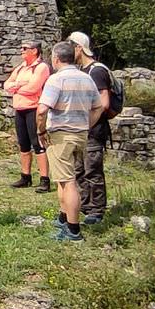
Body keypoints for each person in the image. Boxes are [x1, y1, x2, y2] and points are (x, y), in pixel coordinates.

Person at [38, 41, 101, 242]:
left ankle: (73, 231)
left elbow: (42, 110)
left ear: (56, 59)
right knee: (64, 178)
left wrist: (41, 131)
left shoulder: (56, 80)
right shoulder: (87, 78)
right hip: (80, 134)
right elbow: (98, 107)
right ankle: (63, 217)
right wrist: (86, 125)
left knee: (69, 182)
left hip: (61, 135)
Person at [68, 31, 118, 226]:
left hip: (93, 130)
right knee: (79, 169)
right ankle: (85, 205)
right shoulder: (84, 71)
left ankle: (96, 210)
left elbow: (103, 103)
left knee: (92, 169)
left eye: (71, 47)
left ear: (79, 48)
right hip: (83, 130)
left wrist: (86, 123)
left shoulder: (96, 71)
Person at [2, 40, 53, 191]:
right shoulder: (21, 67)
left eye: (25, 48)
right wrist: (18, 86)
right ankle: (26, 176)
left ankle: (44, 179)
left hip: (33, 109)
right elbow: (6, 84)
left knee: (37, 143)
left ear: (34, 51)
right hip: (20, 109)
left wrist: (16, 87)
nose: (21, 50)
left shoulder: (41, 67)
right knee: (23, 144)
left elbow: (33, 87)